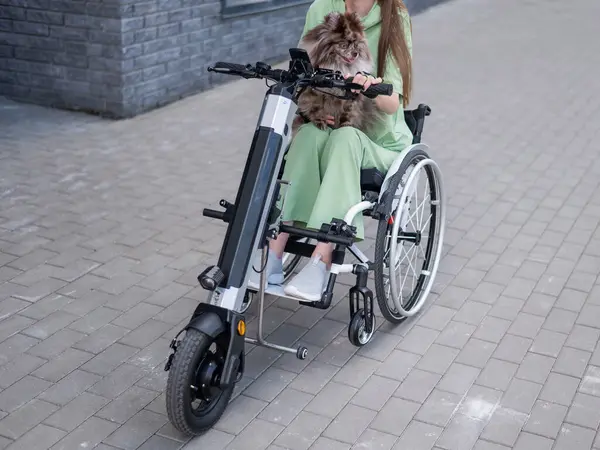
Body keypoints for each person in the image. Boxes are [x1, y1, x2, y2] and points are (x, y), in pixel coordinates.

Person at [249, 0, 414, 301]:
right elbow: (303, 71)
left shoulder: (395, 16)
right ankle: (273, 253)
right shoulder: (321, 7)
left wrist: (368, 86)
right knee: (308, 136)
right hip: (329, 124)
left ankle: (321, 260)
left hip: (378, 140)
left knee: (345, 139)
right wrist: (317, 105)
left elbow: (394, 103)